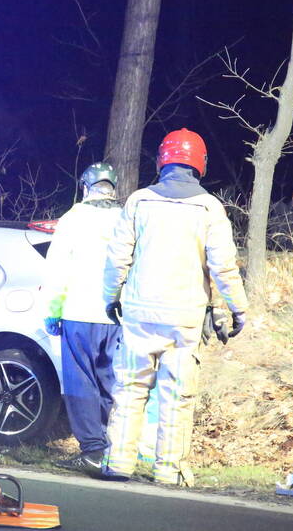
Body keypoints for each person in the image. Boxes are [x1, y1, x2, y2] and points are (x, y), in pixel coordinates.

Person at [103, 129, 249, 486]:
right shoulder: (209, 207)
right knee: (176, 395)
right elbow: (223, 265)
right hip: (183, 317)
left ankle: (119, 462)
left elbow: (117, 255)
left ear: (162, 160)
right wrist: (237, 308)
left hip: (139, 312)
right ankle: (168, 469)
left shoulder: (139, 201)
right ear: (200, 164)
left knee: (130, 389)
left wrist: (111, 296)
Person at [41, 162, 123, 477]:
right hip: (115, 315)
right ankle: (111, 449)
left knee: (81, 384)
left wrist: (53, 310)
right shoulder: (125, 218)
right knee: (109, 383)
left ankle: (92, 451)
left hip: (78, 312)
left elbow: (57, 270)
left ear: (85, 187)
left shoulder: (73, 220)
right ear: (113, 187)